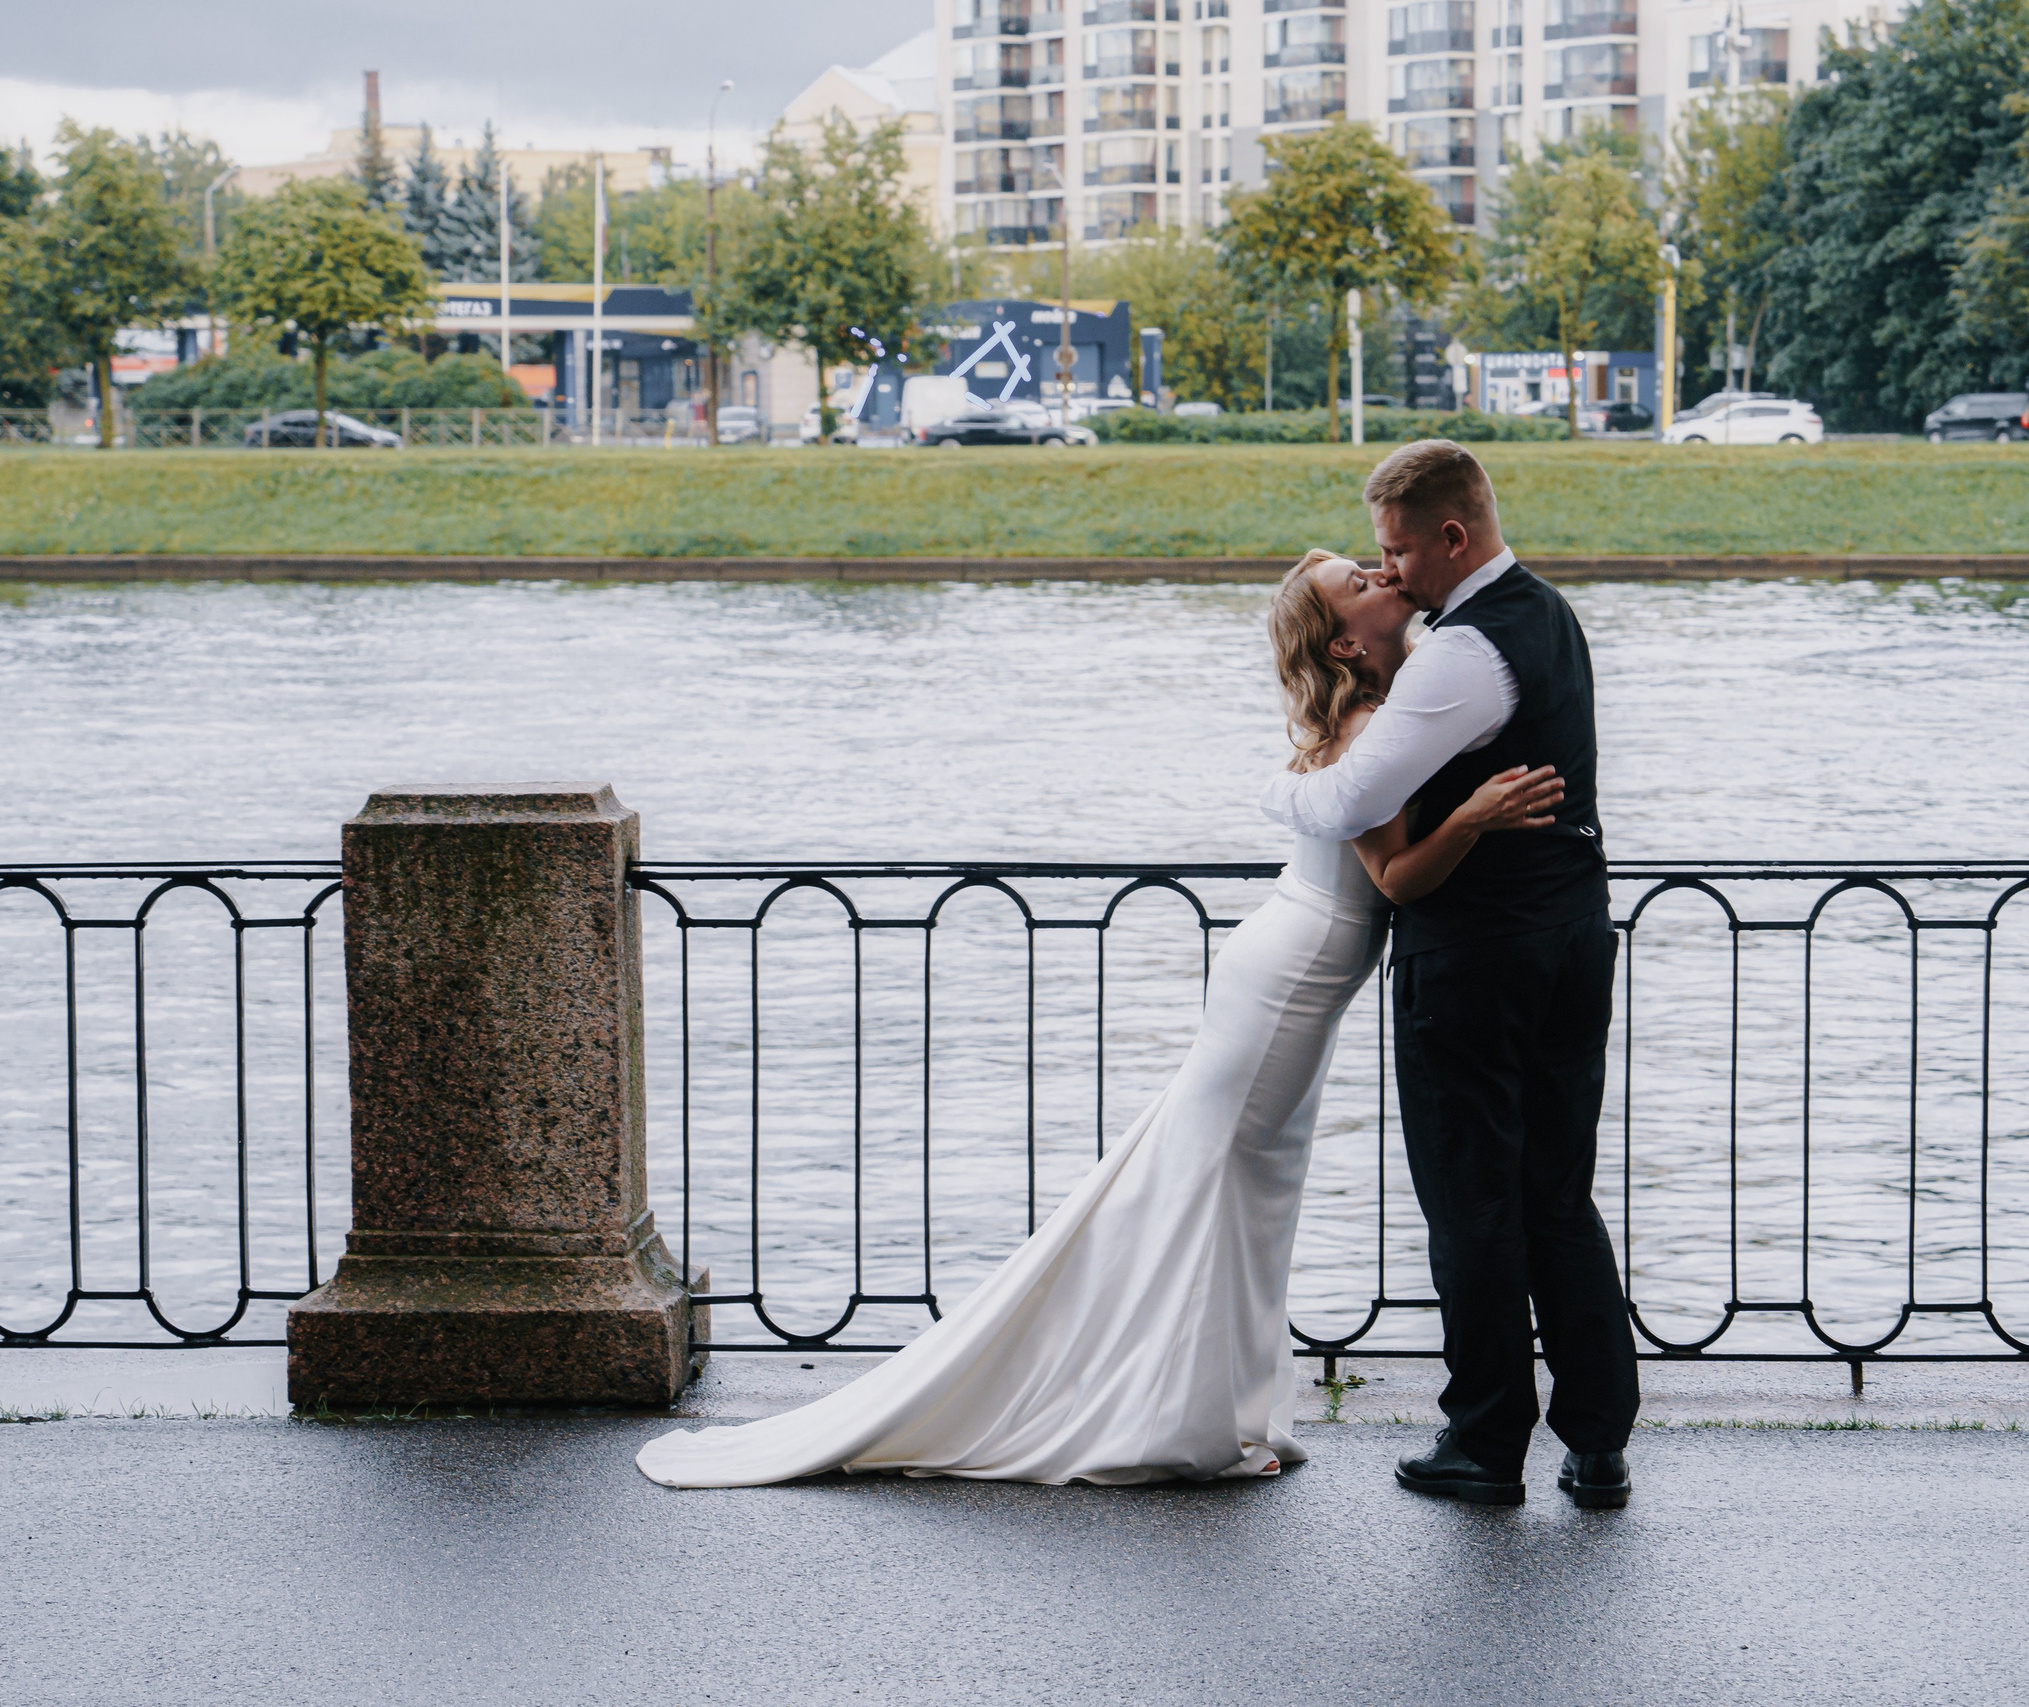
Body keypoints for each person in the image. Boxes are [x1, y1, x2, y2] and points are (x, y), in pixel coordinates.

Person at [634, 547, 1562, 1489]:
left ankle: (1229, 1408)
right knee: (1219, 1189)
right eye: (1358, 583)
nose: (1380, 577)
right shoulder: (1362, 724)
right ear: (1341, 644)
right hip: (1289, 977)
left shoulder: (1380, 707)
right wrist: (1475, 817)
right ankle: (1176, 1416)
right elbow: (1394, 877)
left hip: (1293, 971)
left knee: (1248, 1193)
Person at [1262, 439, 1639, 1512]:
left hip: (1476, 961)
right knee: (1556, 1194)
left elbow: (1345, 803)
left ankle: (1484, 1441)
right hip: (1573, 940)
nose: (1388, 569)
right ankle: (1599, 1442)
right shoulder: (1549, 615)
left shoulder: (1459, 653)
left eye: (1395, 550)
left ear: (1452, 538)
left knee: (1472, 1201)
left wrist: (1268, 789)